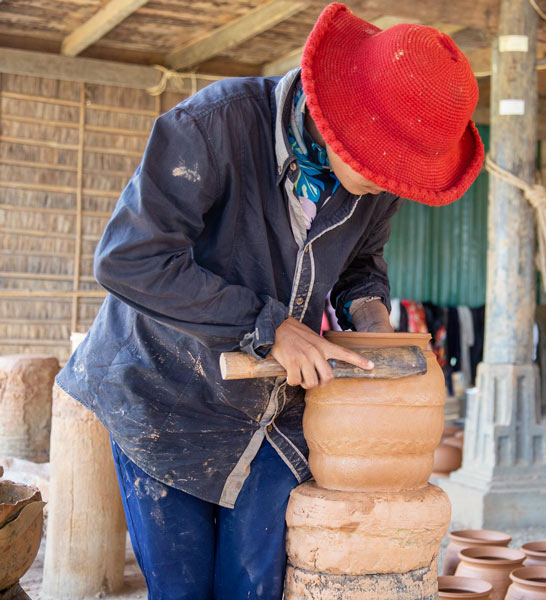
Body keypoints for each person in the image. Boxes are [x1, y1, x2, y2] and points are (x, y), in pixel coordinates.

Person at [53, 4, 484, 598]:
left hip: (270, 407)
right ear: (338, 115)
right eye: (380, 165)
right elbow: (130, 259)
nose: (387, 183)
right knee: (182, 588)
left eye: (398, 172)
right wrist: (266, 324)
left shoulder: (381, 181)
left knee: (251, 584)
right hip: (165, 392)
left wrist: (372, 318)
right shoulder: (214, 126)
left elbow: (362, 263)